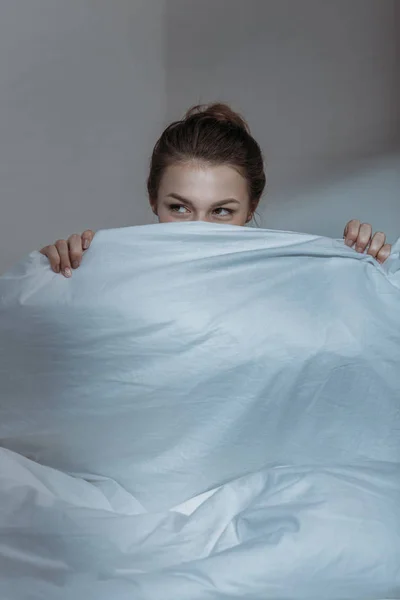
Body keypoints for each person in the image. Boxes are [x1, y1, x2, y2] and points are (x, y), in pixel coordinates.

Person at [40, 103, 392, 277]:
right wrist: (54, 274)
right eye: (179, 208)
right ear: (153, 200)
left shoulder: (291, 281)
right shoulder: (102, 275)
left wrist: (368, 270)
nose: (199, 228)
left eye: (221, 211)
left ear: (251, 210)